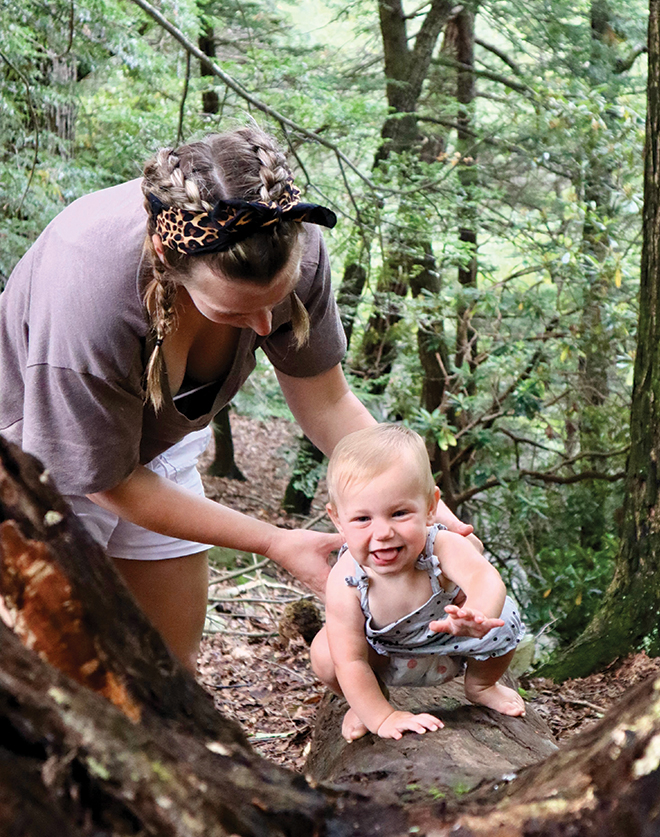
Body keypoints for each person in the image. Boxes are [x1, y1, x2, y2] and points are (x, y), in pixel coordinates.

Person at [0, 127, 470, 671]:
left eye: (276, 302)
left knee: (169, 668)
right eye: (234, 312)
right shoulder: (91, 297)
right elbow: (106, 479)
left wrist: (431, 518)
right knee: (63, 669)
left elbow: (328, 404)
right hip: (37, 448)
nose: (265, 327)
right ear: (165, 259)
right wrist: (274, 541)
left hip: (156, 446)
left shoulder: (287, 237)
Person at [310, 423, 525, 742]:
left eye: (398, 513)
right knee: (326, 654)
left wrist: (476, 613)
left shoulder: (441, 546)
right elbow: (350, 659)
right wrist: (382, 718)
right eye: (362, 519)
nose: (382, 532)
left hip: (452, 648)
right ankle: (369, 702)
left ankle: (482, 685)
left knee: (503, 617)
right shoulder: (348, 578)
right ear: (338, 518)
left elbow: (483, 576)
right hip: (385, 658)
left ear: (429, 507)